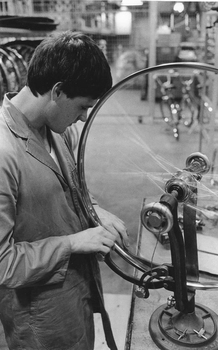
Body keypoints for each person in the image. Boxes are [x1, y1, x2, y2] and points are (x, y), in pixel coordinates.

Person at [0, 31, 129, 350]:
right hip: (40, 317)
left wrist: (95, 210)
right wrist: (73, 243)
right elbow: (3, 263)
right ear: (57, 91)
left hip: (75, 293)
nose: (84, 118)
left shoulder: (57, 131)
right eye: (83, 107)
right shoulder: (4, 154)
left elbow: (73, 188)